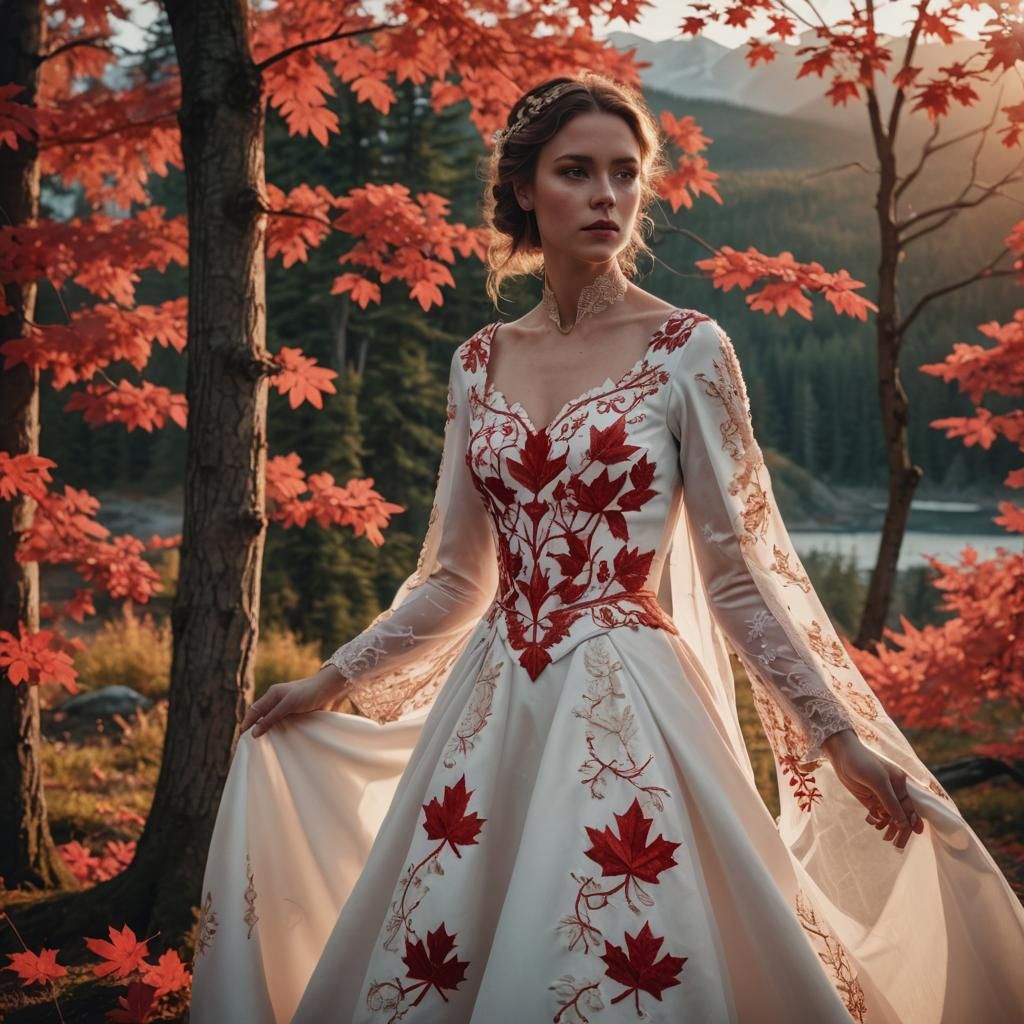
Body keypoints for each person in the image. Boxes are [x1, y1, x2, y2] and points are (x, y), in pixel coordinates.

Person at [189, 74, 1024, 1023]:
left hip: (630, 699)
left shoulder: (687, 349)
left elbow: (740, 580)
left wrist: (836, 738)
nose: (607, 196)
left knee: (625, 943)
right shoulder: (478, 361)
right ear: (522, 191)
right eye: (577, 171)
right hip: (495, 699)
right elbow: (457, 581)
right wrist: (330, 681)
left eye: (625, 174)